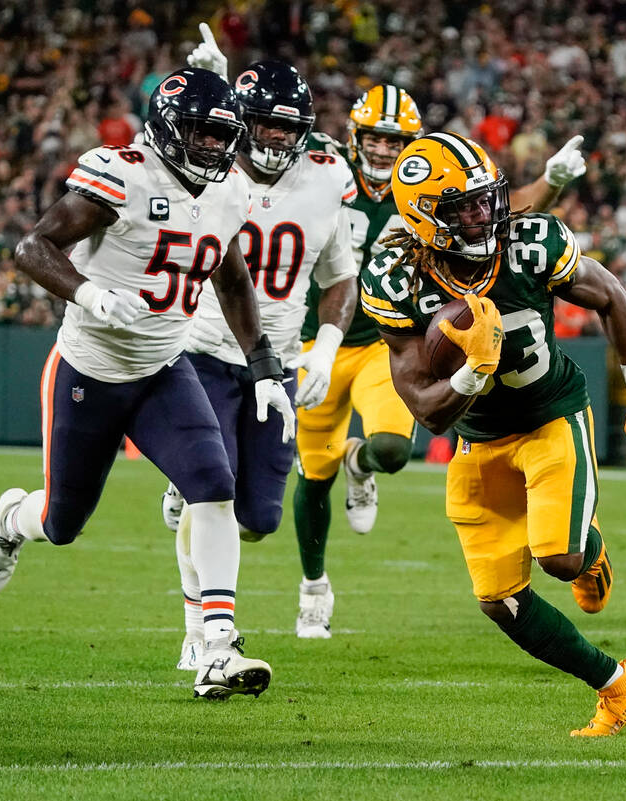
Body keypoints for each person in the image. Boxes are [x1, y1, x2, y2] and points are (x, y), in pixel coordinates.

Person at [188, 28, 587, 638]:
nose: (382, 150)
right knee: (309, 477)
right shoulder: (316, 163)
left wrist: (553, 181)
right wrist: (217, 83)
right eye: (374, 138)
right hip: (309, 342)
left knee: (396, 451)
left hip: (379, 342)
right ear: (354, 135)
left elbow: (501, 212)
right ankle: (313, 586)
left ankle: (364, 463)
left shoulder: (424, 190)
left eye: (396, 141)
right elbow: (257, 135)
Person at [0, 68, 294, 699]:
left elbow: (230, 280)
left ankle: (218, 645)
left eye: (221, 136)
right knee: (63, 522)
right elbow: (33, 247)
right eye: (201, 134)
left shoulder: (229, 192)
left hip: (163, 368)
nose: (212, 148)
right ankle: (12, 518)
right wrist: (88, 293)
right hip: (90, 368)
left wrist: (263, 369)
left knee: (213, 485)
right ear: (169, 129)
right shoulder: (120, 173)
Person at [364, 132, 626, 736]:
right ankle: (618, 688)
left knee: (559, 557)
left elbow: (612, 297)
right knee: (500, 602)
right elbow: (425, 410)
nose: (480, 216)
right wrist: (474, 374)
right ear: (422, 217)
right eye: (460, 209)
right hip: (478, 436)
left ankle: (590, 554)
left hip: (551, 413)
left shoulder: (529, 241)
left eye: (484, 200)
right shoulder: (396, 278)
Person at [158, 59, 359, 660]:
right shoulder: (205, 174)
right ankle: (202, 633)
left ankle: (188, 494)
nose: (276, 134)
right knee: (210, 493)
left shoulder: (327, 176)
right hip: (203, 348)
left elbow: (340, 275)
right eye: (264, 122)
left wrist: (324, 346)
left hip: (275, 363)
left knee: (259, 517)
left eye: (287, 125)